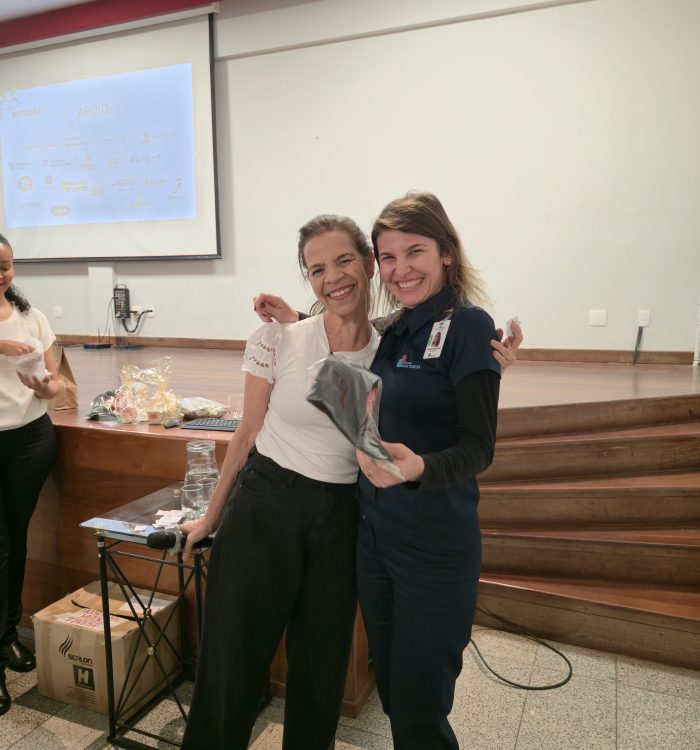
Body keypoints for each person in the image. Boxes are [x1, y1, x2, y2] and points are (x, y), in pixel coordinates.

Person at [253, 192, 521, 749]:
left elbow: (479, 448)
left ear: (446, 252)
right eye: (389, 257)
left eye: (414, 252)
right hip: (374, 542)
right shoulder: (395, 329)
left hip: (434, 547)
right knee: (397, 695)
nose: (402, 269)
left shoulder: (470, 326)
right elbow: (349, 345)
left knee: (421, 710)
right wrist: (299, 322)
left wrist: (419, 468)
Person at [180, 215, 380, 750]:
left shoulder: (387, 353)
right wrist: (210, 517)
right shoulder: (279, 338)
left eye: (343, 260)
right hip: (266, 502)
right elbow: (246, 433)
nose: (332, 277)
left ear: (368, 262)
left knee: (321, 666)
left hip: (340, 516)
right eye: (317, 269)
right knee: (232, 658)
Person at [0, 233, 59, 716]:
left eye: (4, 265)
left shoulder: (32, 317)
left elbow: (54, 385)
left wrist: (44, 386)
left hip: (31, 440)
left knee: (14, 541)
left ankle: (6, 636)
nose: (0, 274)